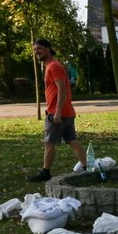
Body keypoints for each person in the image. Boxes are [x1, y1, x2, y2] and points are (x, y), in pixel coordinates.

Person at [29, 38, 86, 182]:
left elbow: (62, 90)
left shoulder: (53, 66)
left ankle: (45, 172)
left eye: (40, 49)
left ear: (48, 49)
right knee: (72, 140)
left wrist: (58, 111)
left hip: (57, 113)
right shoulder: (52, 66)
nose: (37, 52)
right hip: (65, 112)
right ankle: (87, 167)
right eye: (35, 50)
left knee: (49, 143)